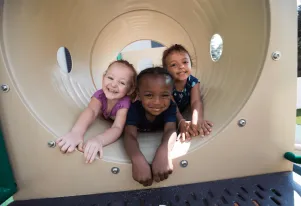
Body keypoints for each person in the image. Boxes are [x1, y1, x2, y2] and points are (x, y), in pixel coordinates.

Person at [56, 60, 137, 163]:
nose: (113, 84)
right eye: (110, 78)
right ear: (103, 78)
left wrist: (99, 140)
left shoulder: (125, 103)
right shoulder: (100, 95)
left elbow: (117, 127)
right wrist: (76, 132)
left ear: (129, 90)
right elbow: (91, 111)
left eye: (122, 82)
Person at [124, 67, 177, 187]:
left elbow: (170, 129)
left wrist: (164, 151)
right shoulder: (134, 109)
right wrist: (137, 159)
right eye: (149, 95)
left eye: (164, 95)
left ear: (171, 94)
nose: (157, 102)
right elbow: (129, 134)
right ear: (138, 94)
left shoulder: (170, 107)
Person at [162, 44, 213, 142]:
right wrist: (181, 122)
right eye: (174, 65)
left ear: (190, 64)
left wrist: (197, 118)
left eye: (185, 62)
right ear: (166, 70)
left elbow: (196, 101)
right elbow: (173, 107)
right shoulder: (167, 85)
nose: (181, 66)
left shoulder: (193, 82)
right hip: (167, 110)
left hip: (183, 110)